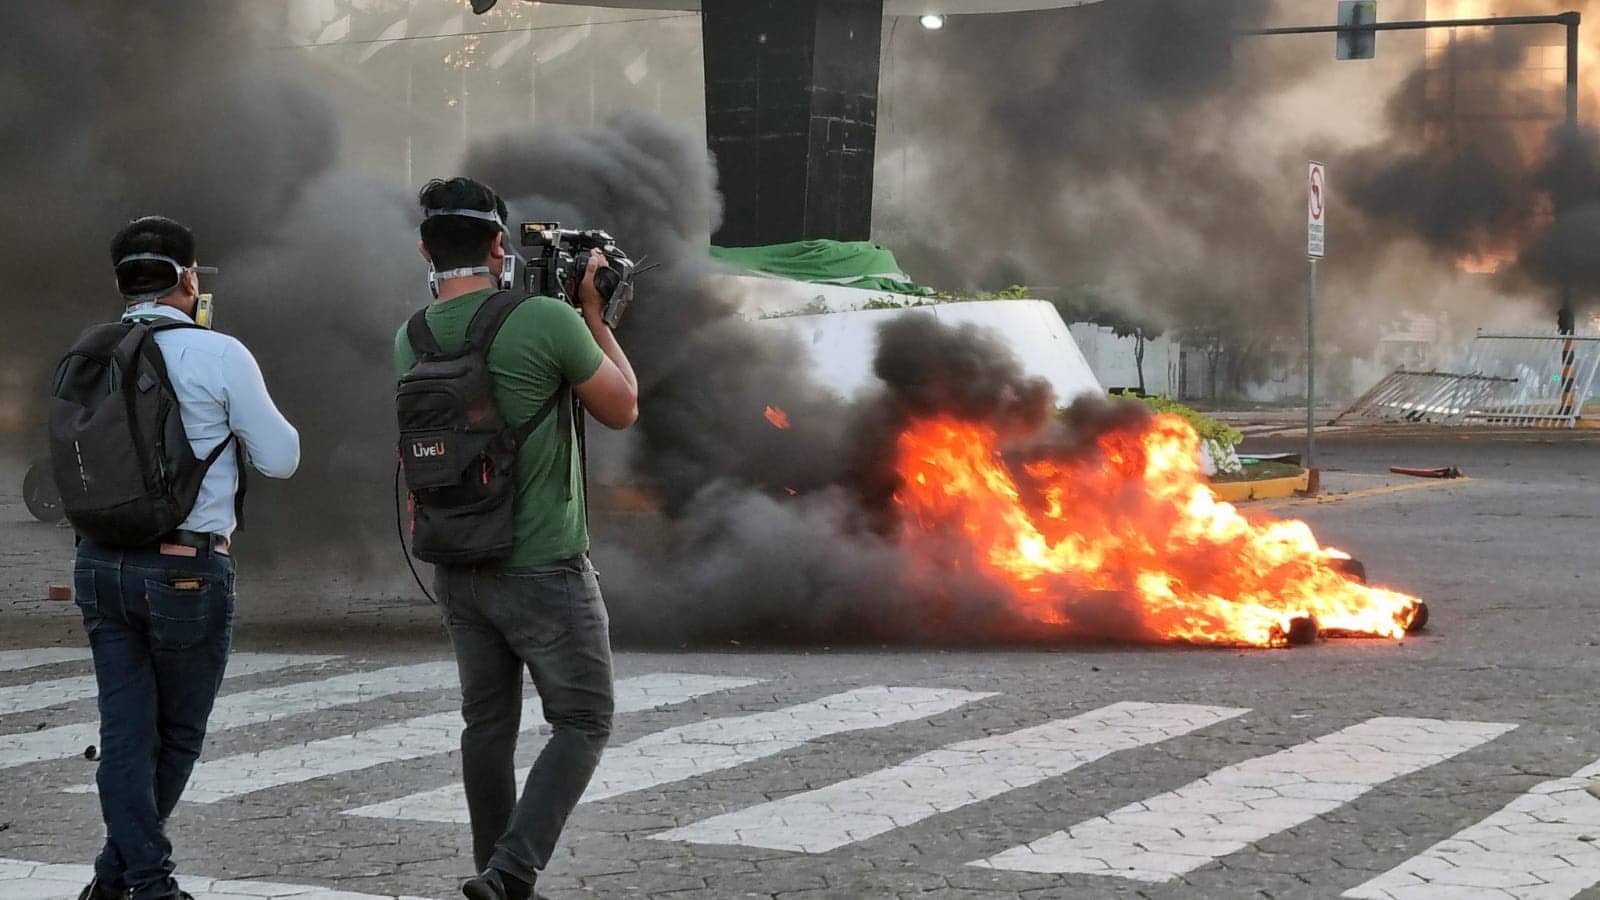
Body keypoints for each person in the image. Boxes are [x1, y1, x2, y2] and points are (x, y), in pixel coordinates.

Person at [394, 177, 639, 900]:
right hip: (543, 566)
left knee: (487, 726)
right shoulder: (544, 320)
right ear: (501, 244)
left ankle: (494, 874)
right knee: (585, 717)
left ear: (424, 249)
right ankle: (510, 870)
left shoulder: (409, 337)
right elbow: (622, 407)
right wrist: (594, 314)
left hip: (458, 567)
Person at [71, 216, 301, 900]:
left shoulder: (86, 353)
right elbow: (282, 458)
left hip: (99, 566)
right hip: (185, 570)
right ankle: (148, 883)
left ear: (122, 284)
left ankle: (114, 884)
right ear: (190, 279)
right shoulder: (220, 353)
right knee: (174, 740)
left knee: (124, 734)